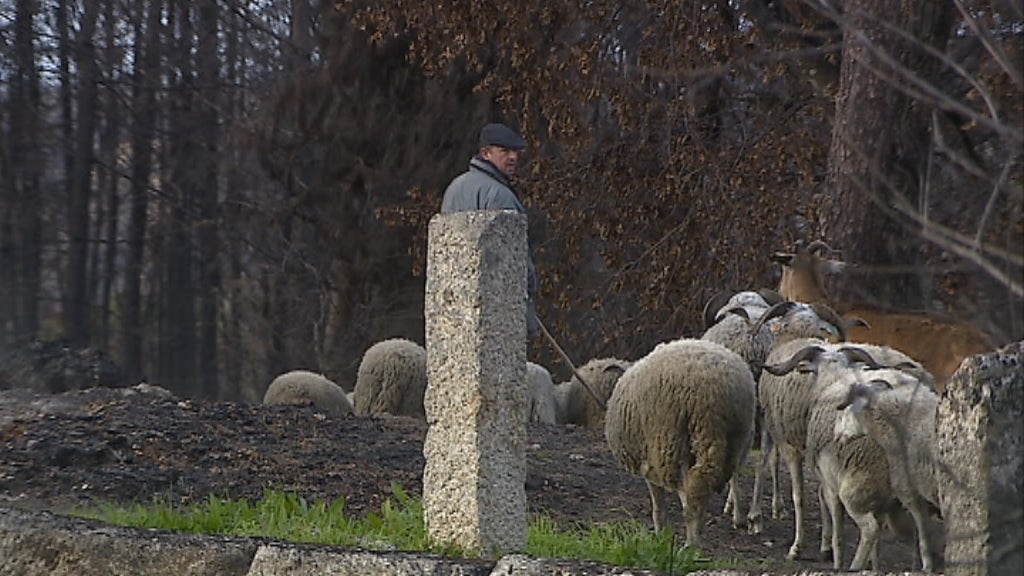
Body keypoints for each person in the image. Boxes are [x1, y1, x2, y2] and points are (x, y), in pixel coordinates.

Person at [440, 122, 540, 338]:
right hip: (495, 308)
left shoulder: (454, 188)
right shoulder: (500, 195)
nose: (513, 157)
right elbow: (515, 259)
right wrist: (530, 288)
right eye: (504, 151)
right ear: (486, 153)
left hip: (455, 307)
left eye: (515, 151)